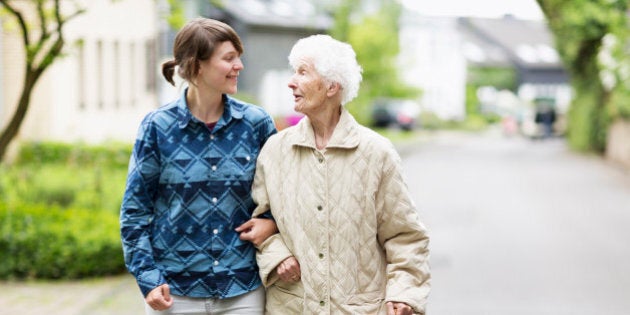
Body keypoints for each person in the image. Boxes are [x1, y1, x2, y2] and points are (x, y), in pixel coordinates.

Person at [240, 34, 431, 314]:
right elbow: (259, 220)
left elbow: (405, 236)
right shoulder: (275, 150)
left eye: (302, 72)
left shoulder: (376, 153)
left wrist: (404, 295)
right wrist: (277, 254)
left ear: (332, 86)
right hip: (293, 305)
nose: (291, 81)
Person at [120, 18, 278, 315]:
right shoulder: (158, 127)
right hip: (174, 294)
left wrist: (271, 223)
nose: (239, 66)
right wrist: (148, 279)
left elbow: (284, 193)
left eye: (238, 57)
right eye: (229, 58)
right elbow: (135, 212)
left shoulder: (256, 124)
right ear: (197, 65)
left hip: (242, 290)